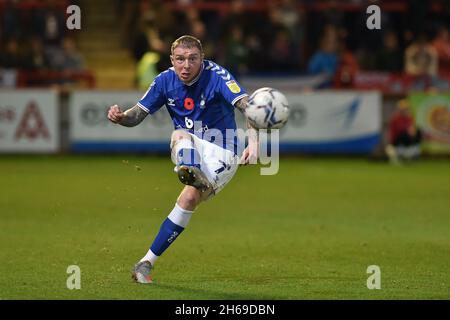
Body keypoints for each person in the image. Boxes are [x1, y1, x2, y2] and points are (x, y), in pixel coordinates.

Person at [107, 35, 258, 284]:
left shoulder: (217, 75)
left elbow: (246, 105)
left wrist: (253, 143)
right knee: (181, 149)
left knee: (184, 166)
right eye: (180, 59)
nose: (185, 65)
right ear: (172, 60)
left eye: (192, 59)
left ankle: (191, 171)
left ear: (202, 59)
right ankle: (144, 264)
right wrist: (120, 117)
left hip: (223, 151)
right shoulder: (164, 80)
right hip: (190, 144)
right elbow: (136, 115)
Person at [385, 99, 422, 164]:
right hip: (397, 140)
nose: (406, 110)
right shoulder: (396, 118)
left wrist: (412, 132)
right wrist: (410, 131)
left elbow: (412, 129)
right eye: (404, 109)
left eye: (407, 109)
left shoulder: (410, 118)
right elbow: (399, 130)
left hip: (407, 139)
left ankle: (411, 153)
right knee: (404, 134)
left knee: (418, 132)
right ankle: (403, 154)